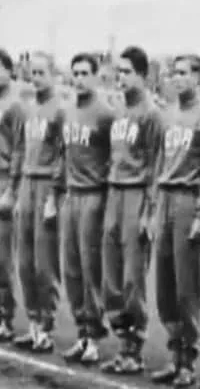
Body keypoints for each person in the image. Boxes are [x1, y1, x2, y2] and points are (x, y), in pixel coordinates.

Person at [150, 54, 200, 387]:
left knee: (186, 284)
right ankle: (173, 354)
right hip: (165, 197)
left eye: (183, 73)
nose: (177, 78)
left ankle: (188, 360)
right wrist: (152, 208)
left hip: (188, 199)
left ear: (198, 77)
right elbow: (160, 161)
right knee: (164, 284)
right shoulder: (168, 113)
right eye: (174, 73)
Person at [99, 46, 164, 374]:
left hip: (137, 194)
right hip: (115, 191)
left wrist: (149, 212)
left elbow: (155, 166)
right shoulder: (119, 110)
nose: (121, 77)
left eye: (127, 72)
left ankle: (134, 347)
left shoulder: (151, 114)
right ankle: (122, 341)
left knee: (132, 278)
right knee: (110, 275)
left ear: (142, 75)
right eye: (119, 72)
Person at [60, 52, 114, 365]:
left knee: (91, 267)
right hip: (72, 194)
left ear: (94, 76)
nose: (79, 79)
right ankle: (81, 332)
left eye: (84, 73)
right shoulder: (68, 110)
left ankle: (94, 335)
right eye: (75, 73)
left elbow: (115, 155)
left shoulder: (105, 113)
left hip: (94, 195)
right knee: (71, 269)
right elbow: (63, 154)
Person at [12, 51, 64, 353]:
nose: (36, 78)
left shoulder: (60, 110)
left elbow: (63, 155)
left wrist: (54, 197)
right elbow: (21, 149)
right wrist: (17, 190)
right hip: (27, 183)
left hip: (46, 185)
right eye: (33, 72)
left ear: (53, 74)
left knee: (45, 264)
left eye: (42, 72)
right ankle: (33, 323)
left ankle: (46, 325)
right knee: (25, 262)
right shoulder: (29, 108)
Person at [0, 48, 24, 341]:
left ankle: (5, 316)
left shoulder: (15, 106)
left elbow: (20, 149)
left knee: (2, 256)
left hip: (4, 179)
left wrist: (11, 191)